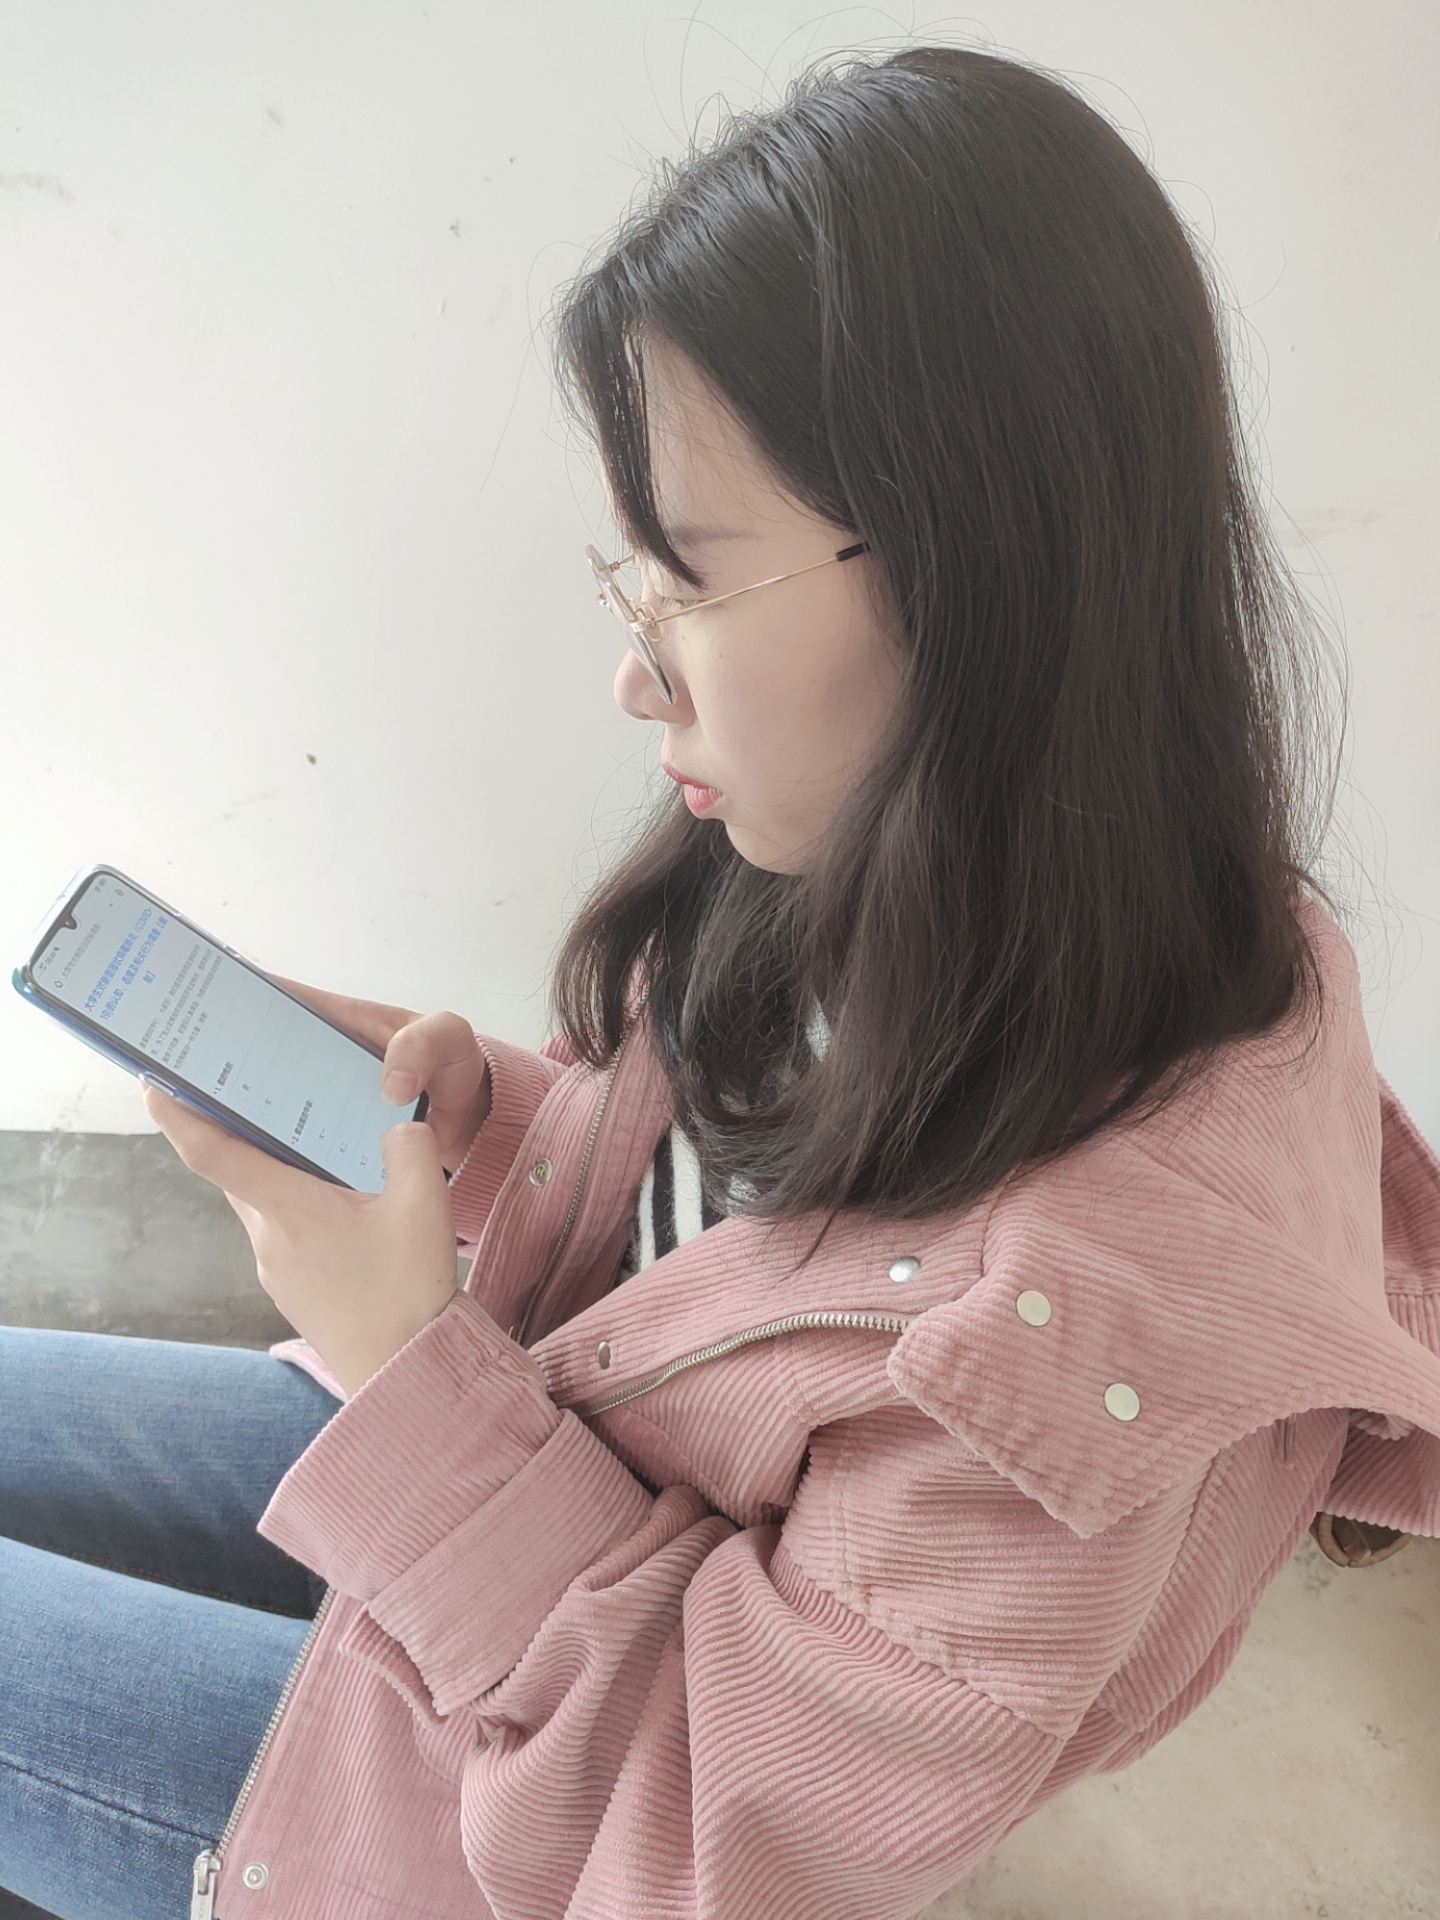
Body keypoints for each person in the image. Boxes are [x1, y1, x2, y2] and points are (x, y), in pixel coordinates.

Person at [3, 43, 1438, 1920]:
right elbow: (762, 1249)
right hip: (511, 1484)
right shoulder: (962, 877)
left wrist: (407, 1369)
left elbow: (695, 1847)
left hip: (486, 1810)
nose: (635, 673)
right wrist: (498, 1127)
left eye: (686, 581)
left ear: (979, 572)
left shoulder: (1075, 1372)